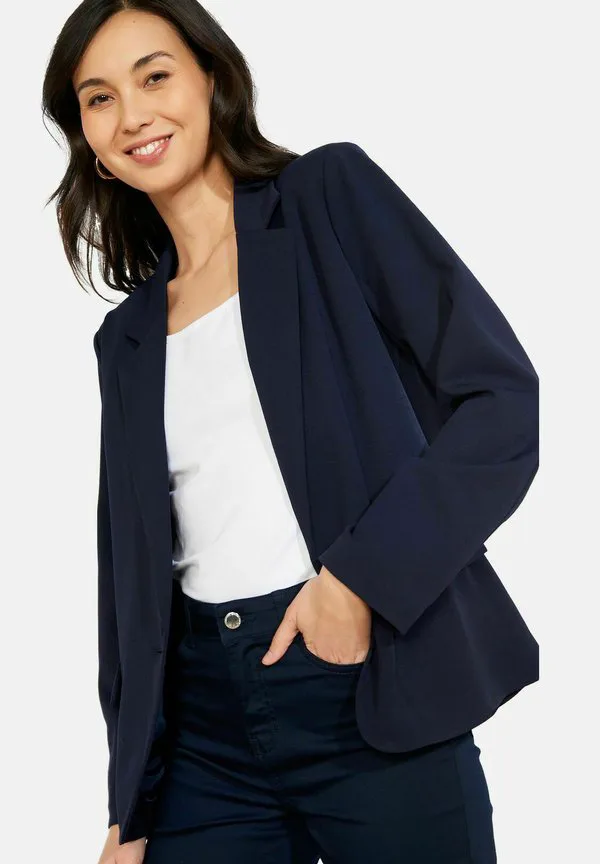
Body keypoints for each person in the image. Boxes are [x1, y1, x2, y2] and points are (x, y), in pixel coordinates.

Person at [43, 2, 540, 862]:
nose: (133, 116)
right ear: (86, 136)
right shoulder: (125, 340)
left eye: (155, 76)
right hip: (202, 739)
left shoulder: (326, 200)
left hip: (366, 686)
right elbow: (128, 579)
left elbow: (500, 401)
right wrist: (131, 802)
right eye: (99, 98)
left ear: (211, 78)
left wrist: (359, 583)